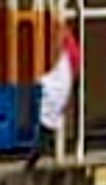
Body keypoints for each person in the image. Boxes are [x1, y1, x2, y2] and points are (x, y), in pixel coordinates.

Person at [32, 24, 82, 163]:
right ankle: (42, 146)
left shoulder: (67, 52)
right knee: (49, 119)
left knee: (48, 119)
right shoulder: (71, 52)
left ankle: (39, 150)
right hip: (58, 88)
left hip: (57, 88)